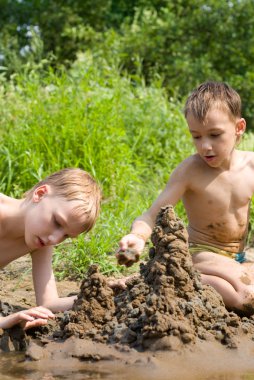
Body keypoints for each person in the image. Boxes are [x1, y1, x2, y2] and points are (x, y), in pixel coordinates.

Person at [117, 81, 254, 313]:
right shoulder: (190, 171)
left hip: (241, 255)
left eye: (214, 135)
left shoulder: (251, 165)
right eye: (196, 137)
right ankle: (177, 274)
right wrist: (137, 236)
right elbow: (150, 216)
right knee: (247, 297)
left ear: (239, 127)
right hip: (201, 253)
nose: (205, 146)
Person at [0, 168, 101, 329]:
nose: (54, 239)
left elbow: (49, 302)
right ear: (40, 194)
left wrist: (102, 291)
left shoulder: (41, 241)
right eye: (57, 222)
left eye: (66, 236)